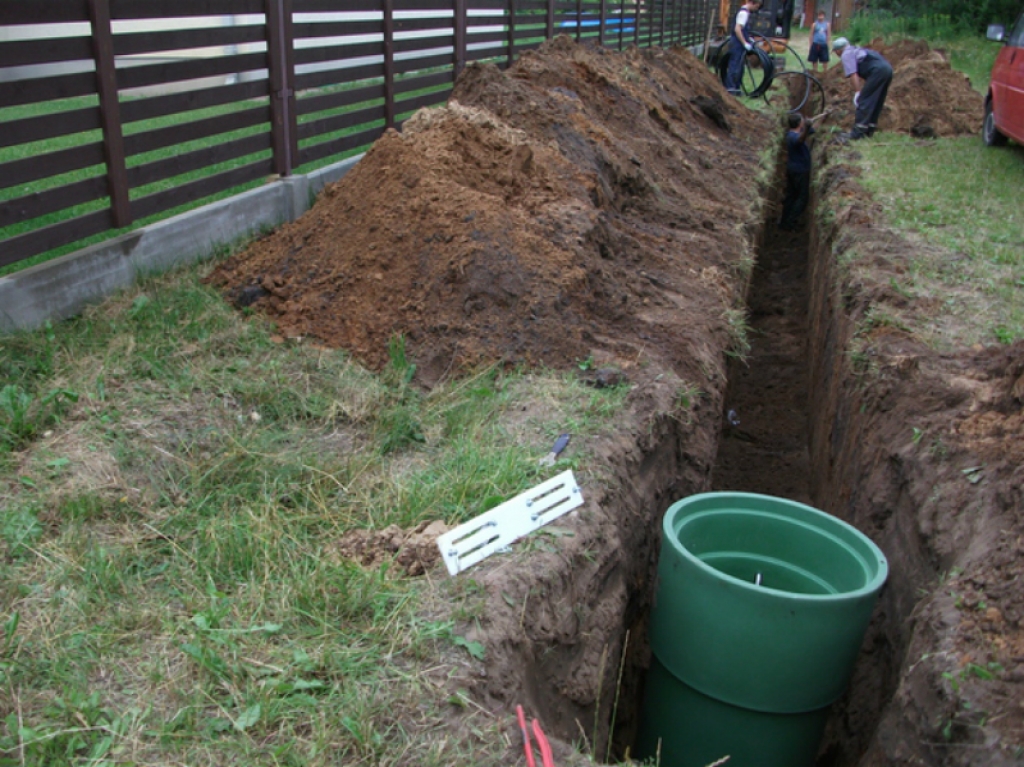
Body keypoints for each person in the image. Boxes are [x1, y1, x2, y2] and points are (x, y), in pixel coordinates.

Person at [831, 37, 893, 140]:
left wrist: (858, 92)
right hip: (887, 69)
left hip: (878, 71)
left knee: (864, 101)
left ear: (838, 50)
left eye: (835, 52)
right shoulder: (857, 50)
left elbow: (853, 74)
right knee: (876, 101)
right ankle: (869, 130)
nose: (836, 54)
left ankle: (857, 133)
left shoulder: (846, 54)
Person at [779, 113, 816, 230]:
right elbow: (801, 140)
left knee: (791, 196)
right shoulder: (793, 136)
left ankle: (784, 221)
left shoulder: (797, 133)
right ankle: (791, 222)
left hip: (793, 170)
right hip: (799, 171)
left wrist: (825, 115)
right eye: (802, 120)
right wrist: (807, 128)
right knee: (802, 198)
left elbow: (811, 131)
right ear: (799, 123)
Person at [726, 0, 763, 96]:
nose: (756, 9)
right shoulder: (743, 13)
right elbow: (737, 30)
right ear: (752, 3)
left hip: (739, 44)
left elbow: (743, 30)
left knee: (740, 67)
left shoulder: (745, 13)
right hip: (737, 44)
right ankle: (730, 89)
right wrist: (744, 43)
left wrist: (749, 39)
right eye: (757, 6)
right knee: (734, 66)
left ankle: (736, 89)